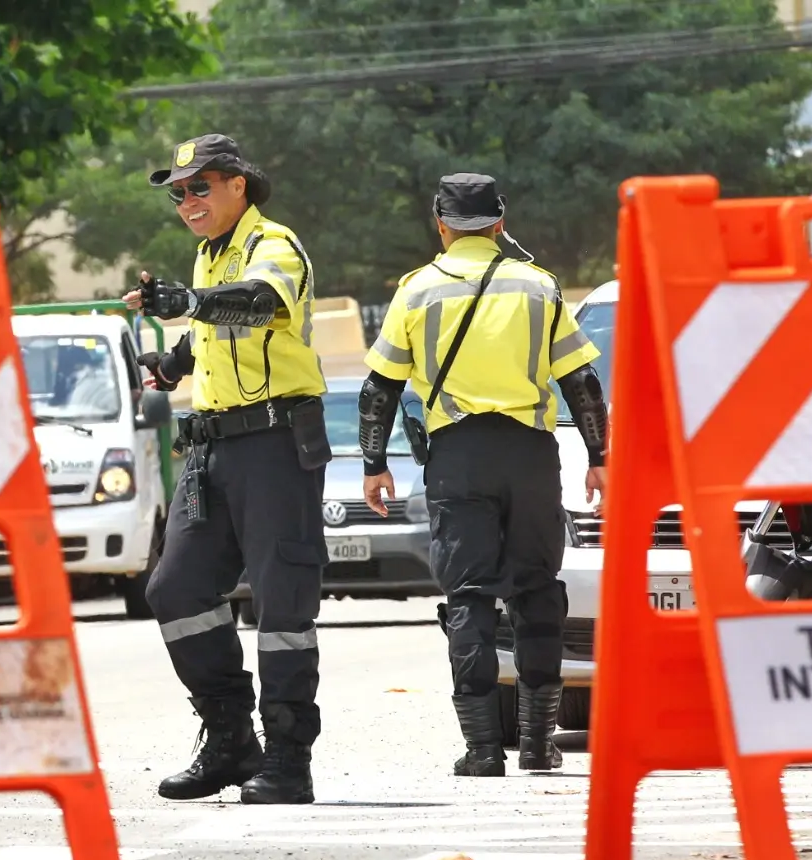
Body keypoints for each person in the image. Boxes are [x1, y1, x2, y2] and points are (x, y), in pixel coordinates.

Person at [357, 173, 608, 777]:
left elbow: (379, 387)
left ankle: (482, 750)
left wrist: (374, 465)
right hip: (530, 456)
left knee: (468, 596)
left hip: (458, 457)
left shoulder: (416, 290)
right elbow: (581, 381)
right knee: (537, 592)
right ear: (499, 223)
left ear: (440, 226)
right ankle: (538, 744)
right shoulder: (539, 285)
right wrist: (599, 458)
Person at [124, 134, 330, 805]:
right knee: (175, 589)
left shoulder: (274, 243)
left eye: (200, 187)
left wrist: (187, 301)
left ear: (238, 184)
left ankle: (289, 761)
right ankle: (231, 740)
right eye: (178, 193)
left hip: (275, 445)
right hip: (212, 448)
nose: (187, 200)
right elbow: (214, 327)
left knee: (282, 606)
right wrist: (172, 364)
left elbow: (261, 303)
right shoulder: (210, 254)